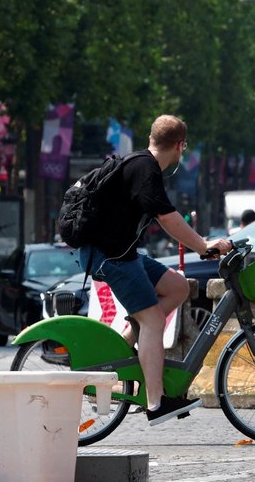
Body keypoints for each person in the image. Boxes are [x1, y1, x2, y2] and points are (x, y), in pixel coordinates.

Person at [73, 115, 232, 425]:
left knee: (178, 287)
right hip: (110, 257)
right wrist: (203, 246)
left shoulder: (140, 163)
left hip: (120, 253)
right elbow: (168, 218)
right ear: (180, 146)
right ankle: (156, 403)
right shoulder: (146, 170)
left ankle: (124, 345)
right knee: (154, 319)